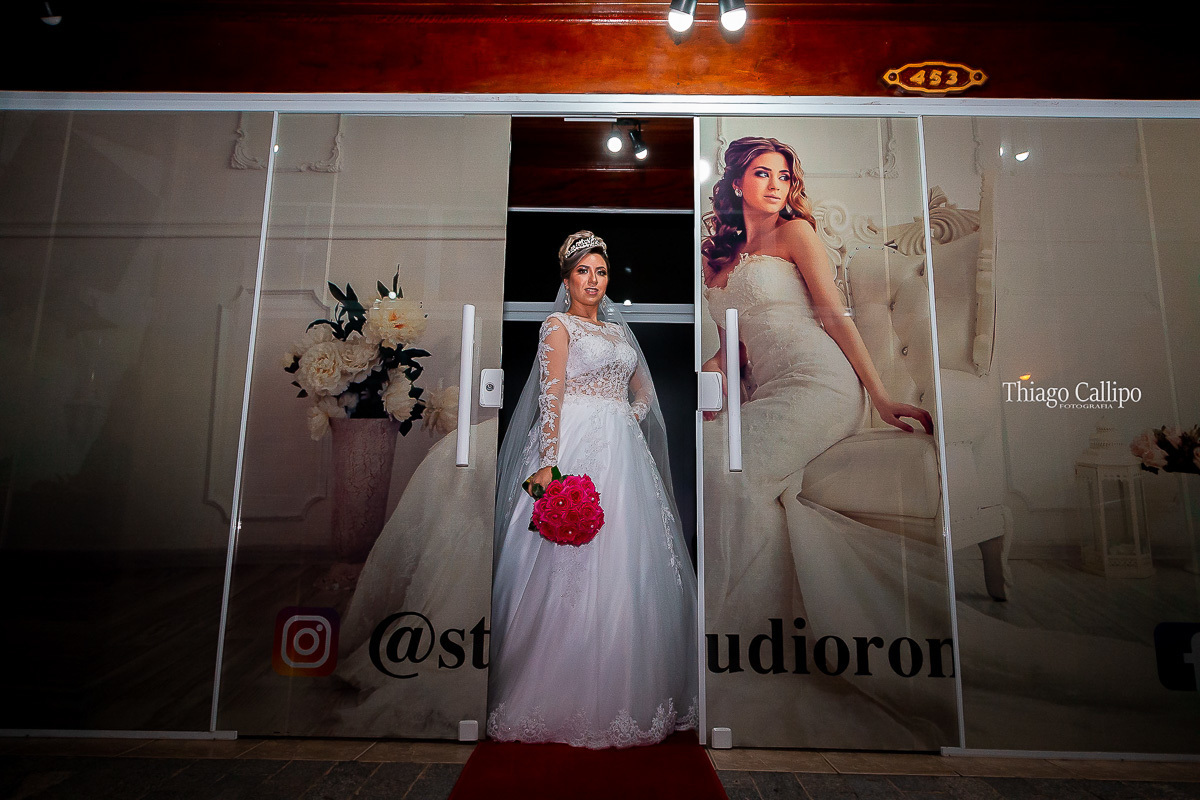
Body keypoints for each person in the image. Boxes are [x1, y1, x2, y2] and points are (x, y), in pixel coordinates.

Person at [699, 137, 957, 749]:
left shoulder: (796, 236)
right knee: (708, 456)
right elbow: (730, 353)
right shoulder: (717, 258)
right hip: (767, 390)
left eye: (784, 177)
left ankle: (738, 631)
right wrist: (702, 399)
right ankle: (734, 631)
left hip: (822, 385)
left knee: (728, 471)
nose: (775, 186)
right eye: (762, 174)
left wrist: (883, 396)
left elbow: (836, 317)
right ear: (737, 183)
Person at [487, 231, 698, 748]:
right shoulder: (557, 326)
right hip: (573, 440)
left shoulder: (620, 336)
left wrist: (627, 417)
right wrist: (551, 464)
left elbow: (643, 390)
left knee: (630, 555)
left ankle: (629, 689)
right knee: (563, 558)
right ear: (566, 280)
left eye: (601, 272)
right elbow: (551, 395)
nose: (593, 280)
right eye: (584, 271)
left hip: (620, 448)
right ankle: (552, 685)